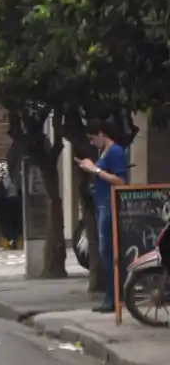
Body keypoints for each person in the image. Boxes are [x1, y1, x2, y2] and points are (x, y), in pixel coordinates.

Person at [77, 121, 128, 312]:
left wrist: (95, 170)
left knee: (108, 249)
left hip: (109, 203)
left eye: (93, 138)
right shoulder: (104, 152)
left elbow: (121, 181)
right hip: (100, 203)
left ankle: (114, 296)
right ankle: (112, 295)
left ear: (102, 134)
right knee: (104, 250)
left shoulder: (115, 152)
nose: (91, 143)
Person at [0, 162, 22, 249]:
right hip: (18, 197)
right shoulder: (21, 165)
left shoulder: (2, 166)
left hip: (4, 198)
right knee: (16, 221)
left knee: (6, 222)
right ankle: (15, 240)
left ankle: (10, 240)